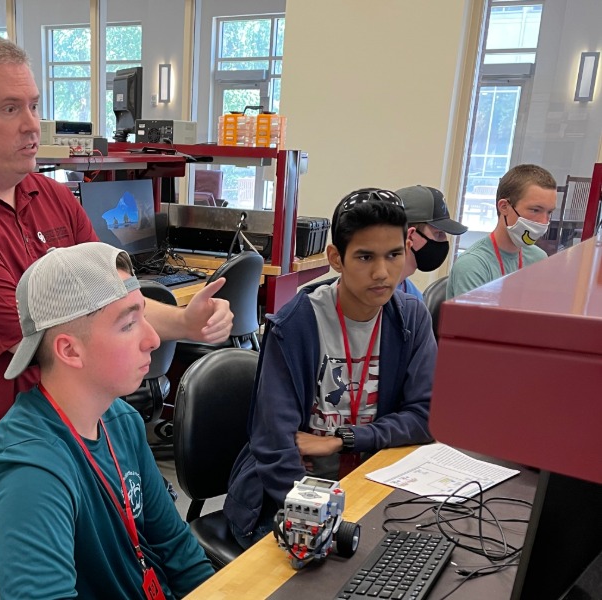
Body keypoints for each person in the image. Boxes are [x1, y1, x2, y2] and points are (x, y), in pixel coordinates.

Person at [0, 34, 233, 450]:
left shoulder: (53, 195)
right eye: (10, 108)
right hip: (3, 440)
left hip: (79, 424)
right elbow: (32, 342)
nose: (31, 124)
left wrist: (185, 322)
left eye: (34, 105)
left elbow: (112, 300)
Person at [0, 242, 214, 598]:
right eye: (129, 324)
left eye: (144, 317)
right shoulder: (30, 472)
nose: (152, 338)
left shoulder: (122, 420)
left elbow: (176, 549)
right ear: (69, 350)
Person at [224, 188, 436, 549]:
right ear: (336, 258)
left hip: (371, 486)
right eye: (365, 257)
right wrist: (323, 520)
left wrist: (344, 439)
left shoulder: (410, 318)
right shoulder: (294, 326)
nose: (382, 272)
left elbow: (427, 416)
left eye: (394, 254)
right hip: (290, 497)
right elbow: (276, 447)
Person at [447, 164, 557, 299]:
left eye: (549, 212)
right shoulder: (473, 265)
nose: (543, 221)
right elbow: (474, 320)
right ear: (504, 207)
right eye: (535, 210)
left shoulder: (539, 259)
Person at [394, 185, 467, 300]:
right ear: (411, 237)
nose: (444, 240)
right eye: (439, 233)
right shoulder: (374, 296)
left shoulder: (412, 294)